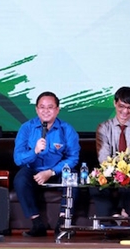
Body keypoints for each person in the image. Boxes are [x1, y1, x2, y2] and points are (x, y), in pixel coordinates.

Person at [13, 91, 80, 237]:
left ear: (57, 109)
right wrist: (34, 151)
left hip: (57, 170)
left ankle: (63, 223)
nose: (46, 111)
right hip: (33, 170)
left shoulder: (67, 129)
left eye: (50, 107)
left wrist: (51, 172)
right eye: (42, 107)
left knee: (73, 177)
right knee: (20, 179)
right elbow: (18, 159)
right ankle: (37, 223)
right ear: (36, 109)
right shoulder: (26, 128)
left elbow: (73, 158)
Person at [92, 86, 130, 223]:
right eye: (121, 106)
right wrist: (116, 172)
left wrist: (127, 171)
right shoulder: (103, 127)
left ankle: (117, 218)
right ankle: (113, 218)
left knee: (127, 183)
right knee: (96, 186)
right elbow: (103, 158)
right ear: (115, 103)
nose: (125, 111)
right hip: (110, 172)